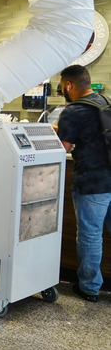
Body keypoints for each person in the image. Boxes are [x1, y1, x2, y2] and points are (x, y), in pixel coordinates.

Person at [56, 65, 111, 303]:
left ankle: (89, 287)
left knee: (90, 236)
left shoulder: (73, 110)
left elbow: (63, 149)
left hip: (92, 183)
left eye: (61, 87)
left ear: (69, 85)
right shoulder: (105, 102)